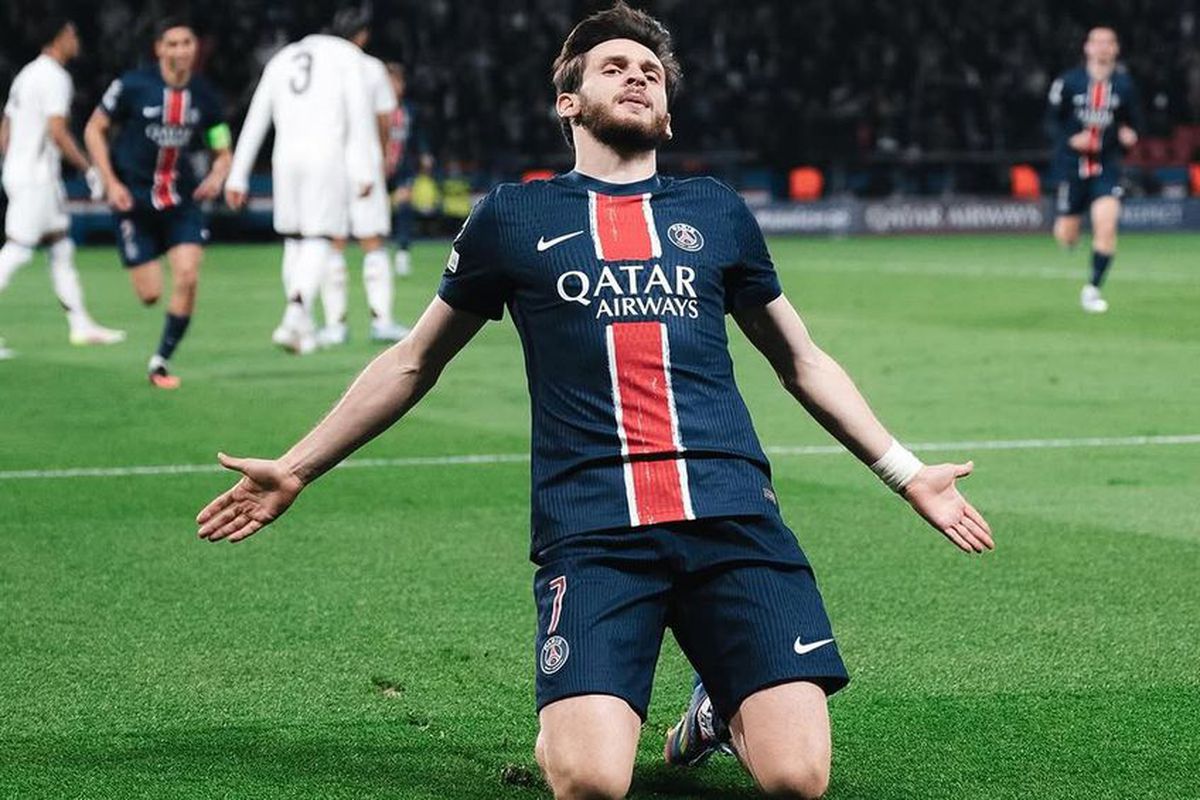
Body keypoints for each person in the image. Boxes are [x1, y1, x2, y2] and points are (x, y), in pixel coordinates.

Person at [197, 5, 993, 798]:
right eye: (615, 67)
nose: (637, 77)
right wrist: (298, 467)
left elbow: (802, 361)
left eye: (651, 73)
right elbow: (412, 363)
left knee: (798, 779)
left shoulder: (715, 210)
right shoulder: (512, 217)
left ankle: (716, 707)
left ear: (668, 115)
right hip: (595, 528)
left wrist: (907, 473)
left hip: (731, 518)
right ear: (569, 102)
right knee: (591, 783)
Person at [84, 17, 231, 388]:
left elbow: (221, 148)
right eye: (173, 43)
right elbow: (94, 128)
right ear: (159, 49)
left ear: (196, 48)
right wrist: (110, 181)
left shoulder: (205, 96)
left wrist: (218, 175)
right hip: (133, 201)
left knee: (188, 275)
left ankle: (160, 362)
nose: (181, 50)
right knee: (150, 295)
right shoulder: (133, 86)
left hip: (181, 201)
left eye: (187, 42)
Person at [225, 10, 377, 356]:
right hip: (326, 157)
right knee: (320, 237)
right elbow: (358, 115)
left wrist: (238, 174)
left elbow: (257, 115)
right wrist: (363, 169)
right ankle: (294, 313)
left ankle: (303, 331)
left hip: (285, 159)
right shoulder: (347, 57)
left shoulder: (284, 57)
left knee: (294, 241)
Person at [0, 16, 125, 360]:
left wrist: (14, 161)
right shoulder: (55, 77)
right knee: (17, 250)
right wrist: (89, 168)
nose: (76, 40)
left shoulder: (27, 74)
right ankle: (81, 325)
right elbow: (57, 131)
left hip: (26, 172)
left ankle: (81, 325)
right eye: (72, 34)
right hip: (36, 177)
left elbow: (5, 127)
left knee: (61, 247)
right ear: (59, 37)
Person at [318, 8, 410, 347]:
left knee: (333, 242)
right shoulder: (371, 68)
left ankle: (334, 325)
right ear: (363, 36)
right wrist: (382, 154)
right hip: (365, 164)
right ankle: (381, 321)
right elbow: (385, 118)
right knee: (373, 242)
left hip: (329, 163)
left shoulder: (323, 69)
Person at [1046, 26, 1143, 314]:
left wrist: (1129, 133)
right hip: (1072, 166)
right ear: (1087, 48)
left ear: (1116, 49)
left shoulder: (1124, 85)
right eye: (1096, 42)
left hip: (1106, 165)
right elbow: (1050, 122)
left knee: (1107, 224)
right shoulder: (1068, 82)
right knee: (1067, 235)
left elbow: (1135, 120)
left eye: (1108, 42)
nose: (1102, 47)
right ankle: (1069, 237)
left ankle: (1092, 289)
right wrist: (1070, 139)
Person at [382, 62, 429, 279]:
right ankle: (379, 251)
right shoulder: (377, 110)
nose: (395, 87)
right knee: (379, 211)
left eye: (397, 82)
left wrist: (424, 153)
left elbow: (418, 135)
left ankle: (402, 252)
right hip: (379, 166)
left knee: (404, 206)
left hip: (403, 166)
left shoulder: (410, 110)